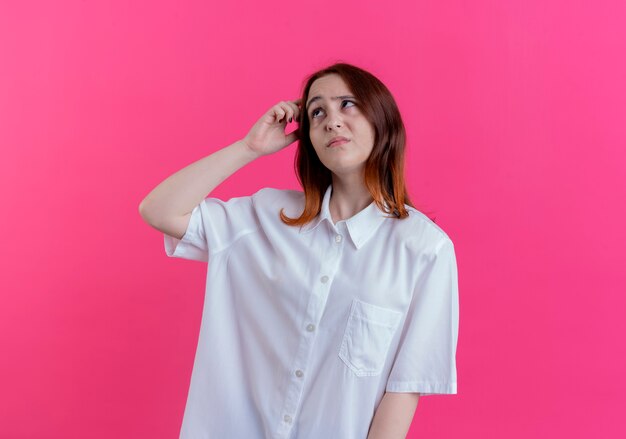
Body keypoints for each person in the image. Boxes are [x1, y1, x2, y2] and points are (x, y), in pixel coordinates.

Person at [139, 62, 459, 439]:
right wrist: (249, 148)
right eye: (317, 111)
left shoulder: (425, 250)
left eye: (348, 104)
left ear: (381, 119)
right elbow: (158, 210)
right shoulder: (264, 218)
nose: (331, 121)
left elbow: (403, 389)